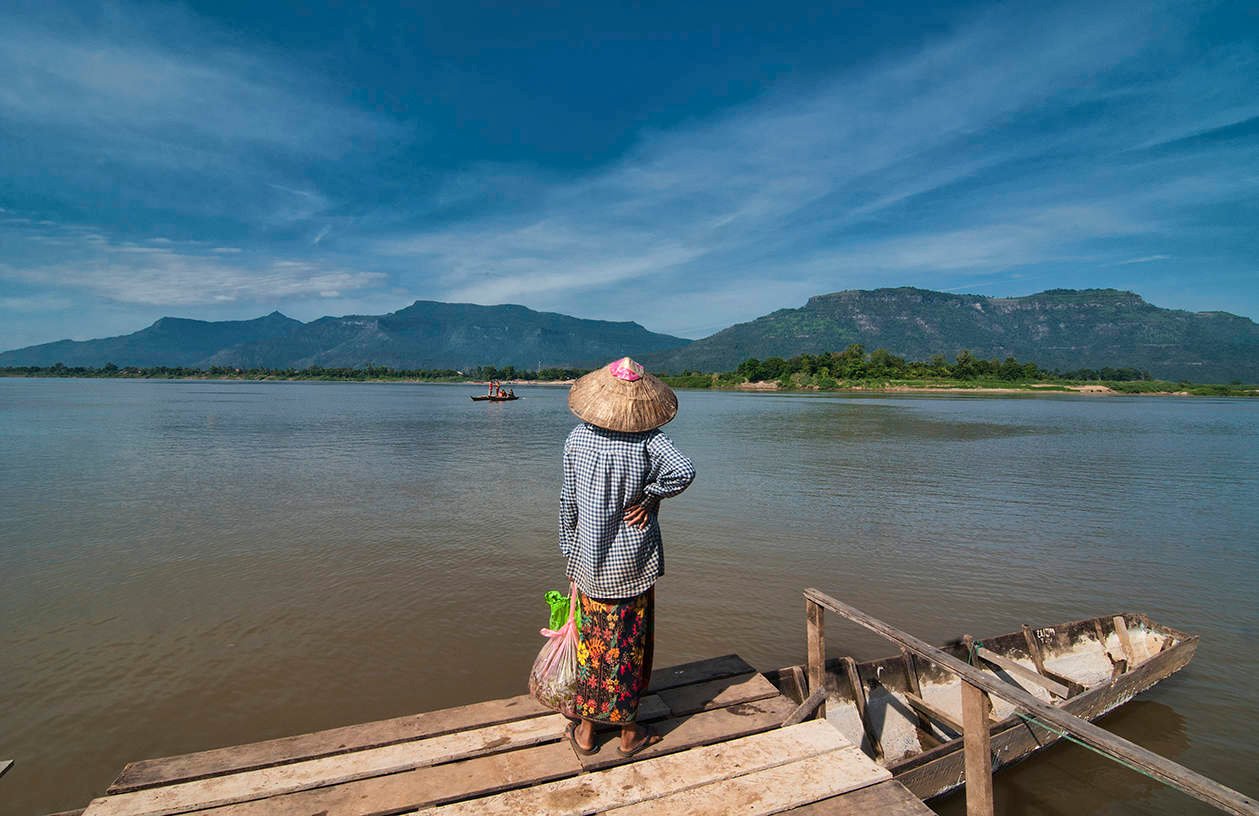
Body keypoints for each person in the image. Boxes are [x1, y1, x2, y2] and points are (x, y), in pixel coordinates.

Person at [559, 356, 696, 757]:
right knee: (627, 647)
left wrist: (570, 555)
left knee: (592, 645)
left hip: (589, 562)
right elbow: (684, 471)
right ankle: (628, 732)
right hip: (632, 563)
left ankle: (587, 732)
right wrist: (650, 497)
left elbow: (568, 503)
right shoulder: (650, 441)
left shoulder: (577, 439)